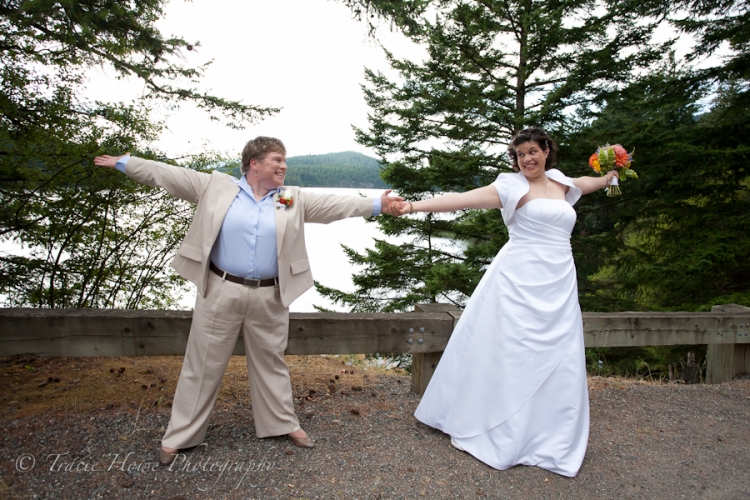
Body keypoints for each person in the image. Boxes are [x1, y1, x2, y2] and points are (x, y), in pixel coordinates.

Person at [94, 137, 402, 465]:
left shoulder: (286, 199)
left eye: (285, 160)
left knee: (271, 361)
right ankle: (180, 435)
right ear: (254, 164)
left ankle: (281, 423)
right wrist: (126, 162)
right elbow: (168, 174)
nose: (284, 166)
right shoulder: (217, 188)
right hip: (220, 291)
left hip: (270, 295)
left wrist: (377, 204)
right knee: (201, 366)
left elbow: (332, 206)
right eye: (276, 160)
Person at [392, 128, 618, 477]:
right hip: (518, 280)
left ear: (546, 151)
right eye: (519, 154)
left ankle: (547, 432)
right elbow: (462, 198)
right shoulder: (510, 186)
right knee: (513, 351)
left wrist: (608, 178)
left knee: (557, 354)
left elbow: (585, 183)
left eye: (532, 151)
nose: (526, 159)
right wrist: (412, 206)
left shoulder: (560, 181)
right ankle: (500, 426)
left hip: (558, 279)